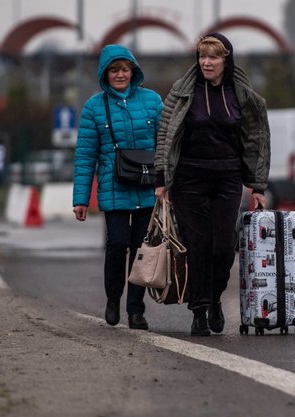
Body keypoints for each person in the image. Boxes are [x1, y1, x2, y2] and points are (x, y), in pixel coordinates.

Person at [154, 33, 270, 336]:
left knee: (222, 247)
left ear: (225, 60)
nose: (206, 62)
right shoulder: (182, 92)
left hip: (227, 177)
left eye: (213, 57)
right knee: (198, 246)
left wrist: (257, 186)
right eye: (202, 56)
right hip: (188, 178)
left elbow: (256, 139)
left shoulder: (241, 94)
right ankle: (199, 309)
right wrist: (162, 179)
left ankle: (215, 297)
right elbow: (166, 134)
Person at [73, 44, 162, 330]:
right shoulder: (94, 107)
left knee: (141, 250)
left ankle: (136, 309)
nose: (120, 74)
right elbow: (85, 156)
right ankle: (113, 298)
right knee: (118, 243)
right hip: (114, 188)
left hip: (149, 187)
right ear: (105, 73)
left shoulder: (152, 101)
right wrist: (81, 198)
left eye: (125, 69)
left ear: (133, 71)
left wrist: (167, 184)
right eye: (114, 70)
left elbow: (166, 146)